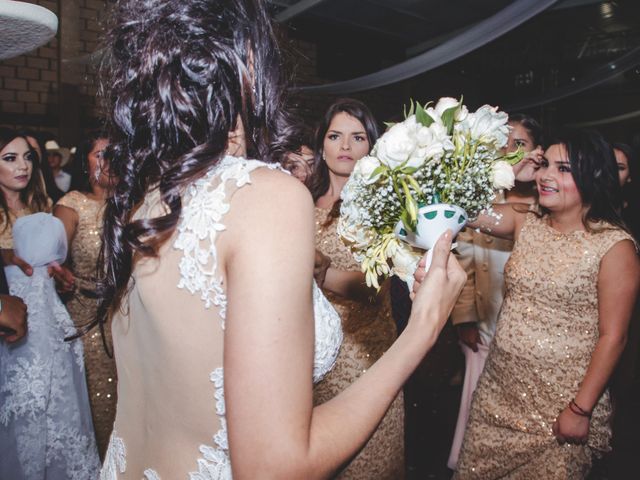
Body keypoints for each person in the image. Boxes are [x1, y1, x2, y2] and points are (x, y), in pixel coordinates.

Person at [96, 1, 465, 478]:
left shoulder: (138, 197)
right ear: (248, 63)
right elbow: (276, 468)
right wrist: (423, 329)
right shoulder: (263, 197)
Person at [453, 130, 640, 479]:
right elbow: (458, 207)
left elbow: (613, 337)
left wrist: (580, 410)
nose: (546, 176)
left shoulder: (614, 247)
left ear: (594, 176)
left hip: (558, 411)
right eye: (544, 165)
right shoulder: (525, 222)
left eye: (563, 168)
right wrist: (508, 170)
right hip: (496, 396)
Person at [308, 98, 405, 479]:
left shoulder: (385, 209)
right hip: (307, 361)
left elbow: (373, 288)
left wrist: (316, 272)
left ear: (372, 146)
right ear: (321, 145)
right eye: (335, 136)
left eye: (357, 137)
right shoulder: (299, 201)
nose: (345, 147)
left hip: (364, 358)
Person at [0, 128, 100, 478]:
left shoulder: (43, 208)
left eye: (27, 157)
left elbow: (51, 267)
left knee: (57, 416)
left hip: (50, 326)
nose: (22, 166)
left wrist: (61, 274)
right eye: (9, 158)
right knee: (18, 415)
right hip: (9, 333)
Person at [447, 113, 543, 469]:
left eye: (521, 144)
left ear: (538, 153)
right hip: (484, 321)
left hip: (528, 326)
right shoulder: (483, 198)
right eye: (505, 143)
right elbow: (464, 258)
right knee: (478, 406)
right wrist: (465, 316)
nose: (511, 151)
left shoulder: (549, 200)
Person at [54, 132, 117, 459]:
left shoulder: (135, 203)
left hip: (128, 321)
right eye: (100, 155)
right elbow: (53, 255)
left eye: (115, 154)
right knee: (96, 403)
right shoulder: (72, 204)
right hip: (86, 321)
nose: (108, 161)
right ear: (85, 161)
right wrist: (59, 272)